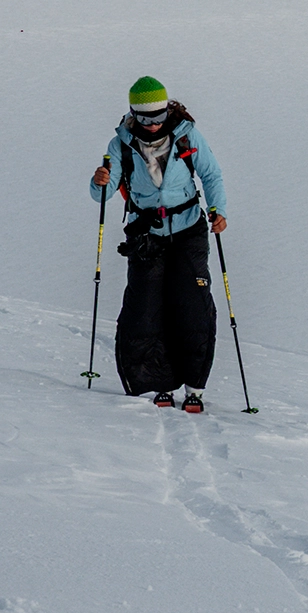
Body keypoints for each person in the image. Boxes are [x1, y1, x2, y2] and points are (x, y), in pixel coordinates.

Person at [89, 76, 228, 412]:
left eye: (158, 117)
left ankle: (194, 385)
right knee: (146, 309)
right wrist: (99, 182)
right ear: (134, 114)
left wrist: (217, 210)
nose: (152, 125)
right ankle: (157, 384)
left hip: (188, 228)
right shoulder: (120, 144)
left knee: (193, 305)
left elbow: (211, 174)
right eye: (144, 118)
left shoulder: (186, 135)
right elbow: (104, 196)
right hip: (145, 233)